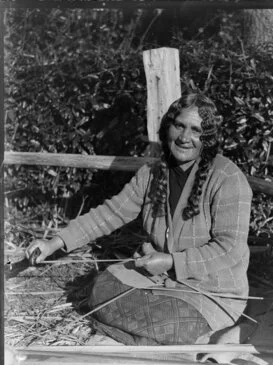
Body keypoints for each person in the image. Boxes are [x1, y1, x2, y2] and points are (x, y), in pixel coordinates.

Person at [26, 92, 253, 346]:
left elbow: (229, 249)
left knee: (169, 322)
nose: (184, 138)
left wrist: (171, 261)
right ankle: (149, 339)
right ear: (168, 126)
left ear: (207, 138)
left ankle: (147, 336)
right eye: (179, 126)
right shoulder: (153, 173)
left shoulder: (227, 178)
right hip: (157, 281)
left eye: (196, 130)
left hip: (210, 293)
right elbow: (110, 213)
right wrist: (54, 243)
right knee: (101, 289)